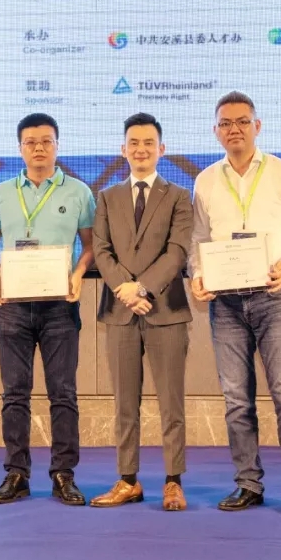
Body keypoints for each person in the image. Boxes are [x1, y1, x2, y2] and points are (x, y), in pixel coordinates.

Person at [188, 91, 281, 515]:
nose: (235, 129)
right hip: (225, 304)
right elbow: (198, 239)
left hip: (273, 297)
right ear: (215, 131)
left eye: (242, 121)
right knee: (236, 401)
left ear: (257, 126)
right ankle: (248, 483)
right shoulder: (205, 180)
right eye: (226, 123)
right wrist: (197, 275)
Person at [0, 113, 96, 506]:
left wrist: (79, 272)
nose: (39, 148)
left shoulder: (78, 192)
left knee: (63, 393)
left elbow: (91, 246)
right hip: (13, 307)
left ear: (57, 146)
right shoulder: (1, 192)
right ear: (20, 149)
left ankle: (64, 474)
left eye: (46, 141)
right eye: (30, 142)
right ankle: (16, 474)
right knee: (15, 394)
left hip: (60, 307)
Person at [90, 113, 193, 512]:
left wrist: (143, 287)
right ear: (123, 149)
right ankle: (128, 480)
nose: (141, 149)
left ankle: (173, 481)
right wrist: (126, 290)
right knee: (124, 403)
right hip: (120, 312)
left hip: (166, 310)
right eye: (133, 142)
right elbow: (101, 251)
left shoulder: (179, 196)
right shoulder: (107, 197)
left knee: (172, 403)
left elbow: (177, 251)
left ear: (161, 149)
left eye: (149, 143)